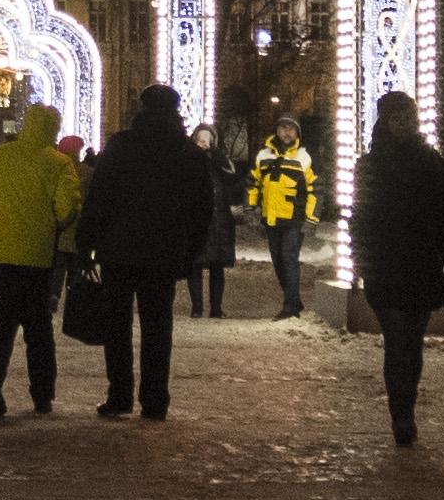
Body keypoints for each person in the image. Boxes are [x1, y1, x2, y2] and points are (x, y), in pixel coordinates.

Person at [78, 84, 218, 419]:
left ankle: (120, 394)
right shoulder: (188, 153)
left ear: (141, 108)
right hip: (163, 253)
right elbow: (202, 210)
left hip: (119, 249)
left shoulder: (121, 145)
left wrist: (86, 244)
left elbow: (100, 197)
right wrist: (189, 253)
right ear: (176, 110)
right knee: (158, 326)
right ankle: (155, 400)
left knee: (118, 325)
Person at [348, 88, 444, 446]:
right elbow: (361, 217)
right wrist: (361, 258)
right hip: (386, 264)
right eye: (396, 116)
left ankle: (406, 406)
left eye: (407, 116)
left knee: (410, 343)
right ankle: (401, 415)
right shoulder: (370, 165)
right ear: (385, 120)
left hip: (420, 264)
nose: (403, 123)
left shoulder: (431, 162)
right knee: (397, 339)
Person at [0, 98, 83, 417]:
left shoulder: (3, 155)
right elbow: (65, 209)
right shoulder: (59, 163)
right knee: (38, 327)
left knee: (0, 321)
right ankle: (42, 393)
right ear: (53, 129)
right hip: (37, 255)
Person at [248, 114, 317, 316]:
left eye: (291, 128)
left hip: (294, 218)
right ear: (276, 130)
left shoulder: (304, 157)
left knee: (289, 258)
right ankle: (293, 299)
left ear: (297, 133)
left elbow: (315, 190)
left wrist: (312, 218)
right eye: (283, 127)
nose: (287, 132)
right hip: (271, 217)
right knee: (278, 261)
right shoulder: (263, 156)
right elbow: (253, 183)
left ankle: (290, 306)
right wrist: (250, 207)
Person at [191, 120, 243, 317]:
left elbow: (233, 176)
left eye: (208, 139)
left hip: (219, 218)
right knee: (194, 264)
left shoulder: (219, 160)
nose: (204, 142)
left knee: (217, 265)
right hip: (196, 218)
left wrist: (218, 158)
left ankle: (216, 308)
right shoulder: (188, 159)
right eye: (201, 138)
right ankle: (196, 308)